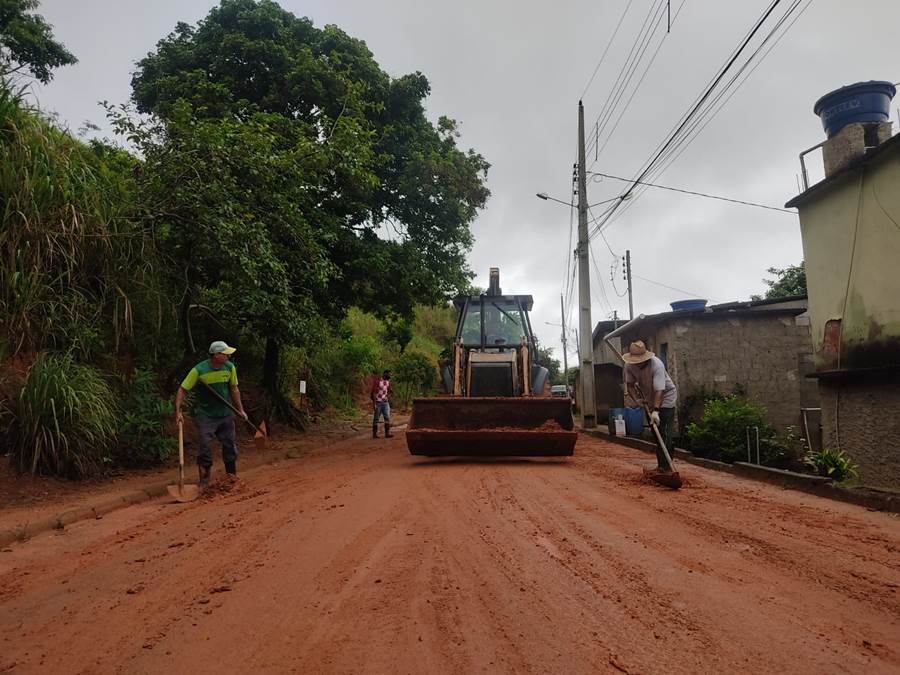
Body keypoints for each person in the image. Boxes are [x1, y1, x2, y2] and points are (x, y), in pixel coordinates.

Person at [175, 340, 249, 487]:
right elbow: (182, 389)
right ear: (216, 355)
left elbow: (234, 389)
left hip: (225, 413)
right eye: (225, 354)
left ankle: (231, 476)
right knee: (205, 445)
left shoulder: (229, 368)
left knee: (229, 444)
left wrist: (240, 410)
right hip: (206, 414)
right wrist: (178, 411)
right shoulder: (199, 370)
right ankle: (204, 480)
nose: (228, 356)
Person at [622, 340, 678, 471]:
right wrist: (637, 400)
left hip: (666, 398)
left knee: (664, 432)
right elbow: (629, 385)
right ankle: (661, 466)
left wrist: (656, 411)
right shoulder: (629, 366)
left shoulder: (656, 364)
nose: (638, 362)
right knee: (656, 433)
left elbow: (660, 390)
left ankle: (667, 468)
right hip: (648, 400)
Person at [370, 369, 393, 439]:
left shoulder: (388, 382)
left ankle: (387, 433)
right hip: (378, 402)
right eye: (389, 374)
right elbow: (373, 392)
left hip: (385, 402)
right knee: (376, 418)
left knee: (387, 417)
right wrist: (374, 403)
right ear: (385, 374)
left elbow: (389, 390)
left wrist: (390, 392)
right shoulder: (378, 381)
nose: (390, 375)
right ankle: (374, 434)